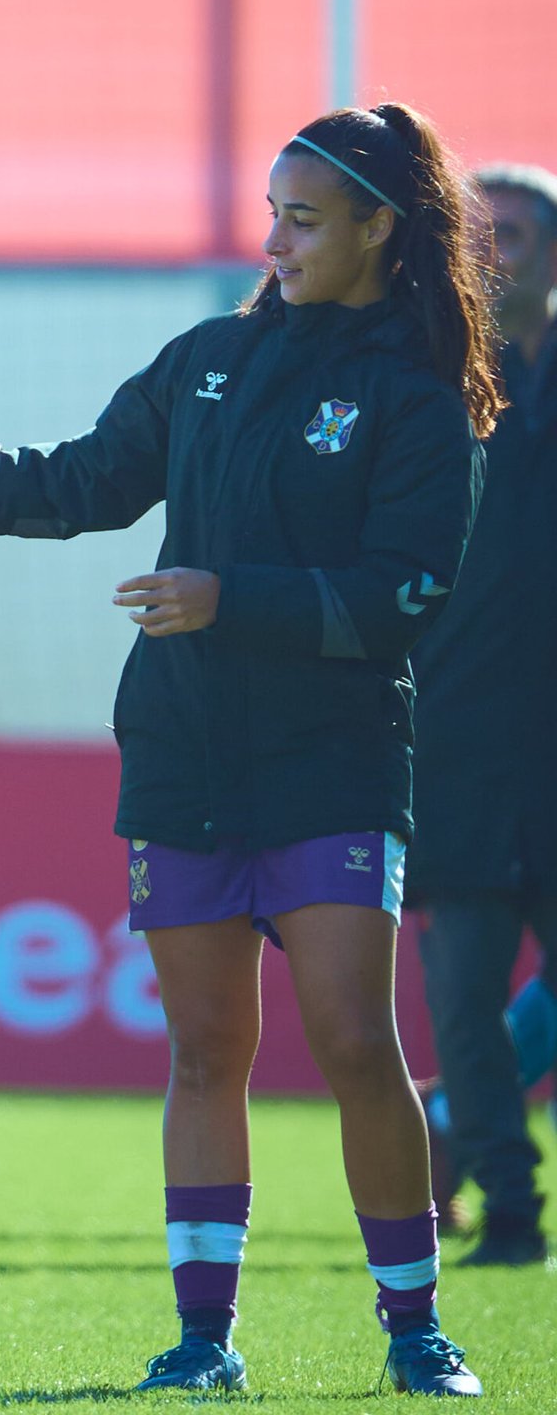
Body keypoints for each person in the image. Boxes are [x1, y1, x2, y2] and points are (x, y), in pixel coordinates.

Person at [0, 104, 495, 1399]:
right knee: (204, 1050)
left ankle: (414, 1329)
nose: (272, 237)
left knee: (349, 1039)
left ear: (382, 229)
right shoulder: (209, 358)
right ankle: (203, 1340)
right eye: (272, 209)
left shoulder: (417, 401)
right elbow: (74, 483)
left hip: (331, 760)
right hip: (183, 751)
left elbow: (408, 595)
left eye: (304, 216)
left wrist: (236, 597)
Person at [407, 163, 557, 1266]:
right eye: (477, 237)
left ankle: (468, 1149)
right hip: (453, 739)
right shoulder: (429, 378)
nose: (493, 254)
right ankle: (510, 1209)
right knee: (460, 1000)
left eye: (511, 233)